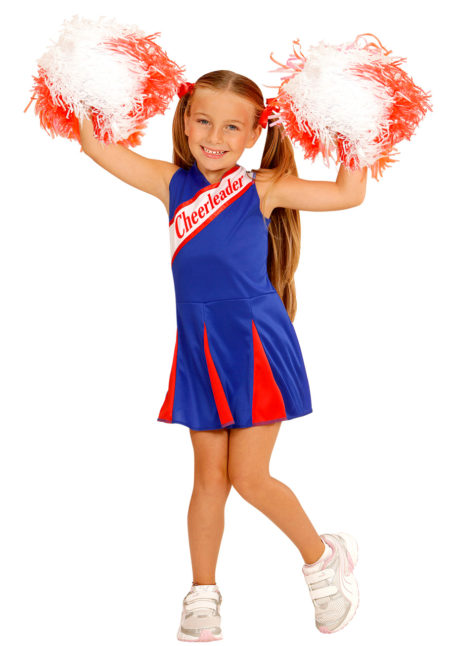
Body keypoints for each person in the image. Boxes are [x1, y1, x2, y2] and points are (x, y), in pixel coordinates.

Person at [78, 69, 367, 642]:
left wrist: (355, 128)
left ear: (254, 133)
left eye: (232, 126)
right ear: (185, 121)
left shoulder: (262, 188)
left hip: (257, 345)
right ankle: (202, 593)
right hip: (200, 348)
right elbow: (95, 144)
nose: (215, 135)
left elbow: (347, 194)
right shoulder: (172, 184)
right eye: (204, 120)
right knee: (209, 478)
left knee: (249, 476)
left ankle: (322, 559)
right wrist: (82, 74)